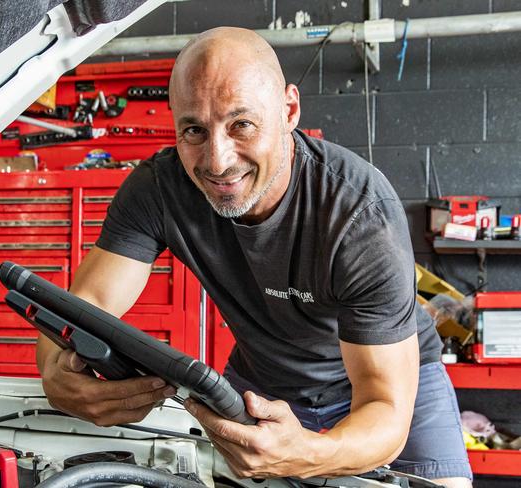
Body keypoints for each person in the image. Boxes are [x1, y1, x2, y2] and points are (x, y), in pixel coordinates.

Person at [36, 27, 472, 488]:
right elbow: (84, 306)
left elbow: (385, 412)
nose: (217, 161)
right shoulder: (159, 189)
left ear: (288, 110)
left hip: (388, 382)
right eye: (194, 131)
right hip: (263, 381)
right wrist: (53, 375)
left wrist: (310, 454)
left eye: (241, 124)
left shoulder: (359, 214)